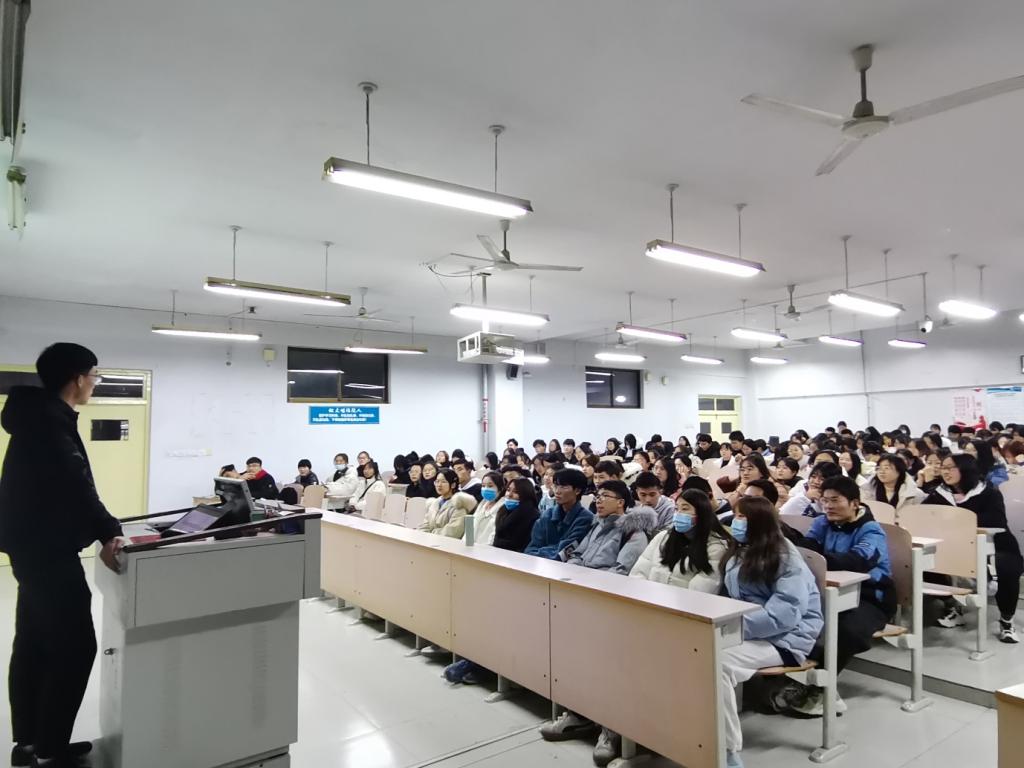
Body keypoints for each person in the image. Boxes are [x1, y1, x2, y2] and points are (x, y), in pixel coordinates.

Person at [0, 343, 125, 768]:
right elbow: (75, 483)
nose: (95, 383)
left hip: (30, 547)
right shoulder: (51, 421)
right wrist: (109, 531)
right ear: (78, 378)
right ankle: (50, 747)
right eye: (95, 375)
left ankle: (29, 743)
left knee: (34, 642)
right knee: (75, 647)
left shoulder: (35, 416)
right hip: (49, 550)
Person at [718, 496, 823, 768]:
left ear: (759, 522)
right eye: (735, 516)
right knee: (692, 651)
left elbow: (784, 614)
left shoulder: (784, 557)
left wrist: (732, 628)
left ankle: (726, 752)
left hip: (787, 639)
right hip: (748, 631)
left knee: (717, 663)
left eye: (741, 517)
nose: (735, 522)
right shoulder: (741, 550)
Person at [783, 476, 895, 716]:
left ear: (854, 503)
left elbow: (857, 561)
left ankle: (822, 688)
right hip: (830, 591)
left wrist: (820, 560)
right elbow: (809, 547)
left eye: (835, 500)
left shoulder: (871, 530)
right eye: (824, 501)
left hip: (870, 597)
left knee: (845, 629)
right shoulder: (822, 523)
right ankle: (797, 678)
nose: (828, 506)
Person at [926, 454, 1023, 642]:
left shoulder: (988, 492)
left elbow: (997, 521)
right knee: (923, 561)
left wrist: (955, 519)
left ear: (965, 469)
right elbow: (926, 516)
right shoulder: (939, 493)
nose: (945, 472)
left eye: (951, 467)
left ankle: (1006, 621)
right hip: (956, 547)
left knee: (1007, 568)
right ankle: (952, 605)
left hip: (998, 546)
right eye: (943, 468)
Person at [629, 488, 730, 593]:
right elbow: (639, 571)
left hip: (681, 602)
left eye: (685, 509)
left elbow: (701, 590)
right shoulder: (663, 537)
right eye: (677, 509)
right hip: (648, 598)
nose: (678, 513)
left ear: (701, 514)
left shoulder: (715, 548)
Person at [566, 480, 657, 573]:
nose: (598, 500)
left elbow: (621, 570)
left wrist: (589, 578)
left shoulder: (634, 533)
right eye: (598, 496)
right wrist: (572, 571)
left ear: (620, 503)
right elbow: (577, 554)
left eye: (605, 496)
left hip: (603, 580)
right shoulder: (597, 525)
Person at [525, 469, 594, 560]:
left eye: (563, 487)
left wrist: (539, 553)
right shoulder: (547, 514)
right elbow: (531, 547)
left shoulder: (586, 518)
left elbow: (564, 552)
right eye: (555, 486)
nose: (557, 491)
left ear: (577, 490)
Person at [419, 468, 476, 538]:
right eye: (437, 481)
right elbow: (425, 525)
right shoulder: (435, 502)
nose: (439, 485)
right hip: (428, 540)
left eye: (443, 482)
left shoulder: (459, 505)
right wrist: (422, 535)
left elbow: (452, 533)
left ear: (453, 485)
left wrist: (431, 533)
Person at [860, 454, 924, 510]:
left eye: (886, 468)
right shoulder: (866, 490)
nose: (881, 472)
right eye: (879, 468)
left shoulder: (915, 494)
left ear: (899, 470)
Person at [493, 478, 541, 551]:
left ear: (526, 494)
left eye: (516, 492)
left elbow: (523, 544)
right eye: (508, 490)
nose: (509, 494)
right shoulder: (503, 510)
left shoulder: (532, 515)